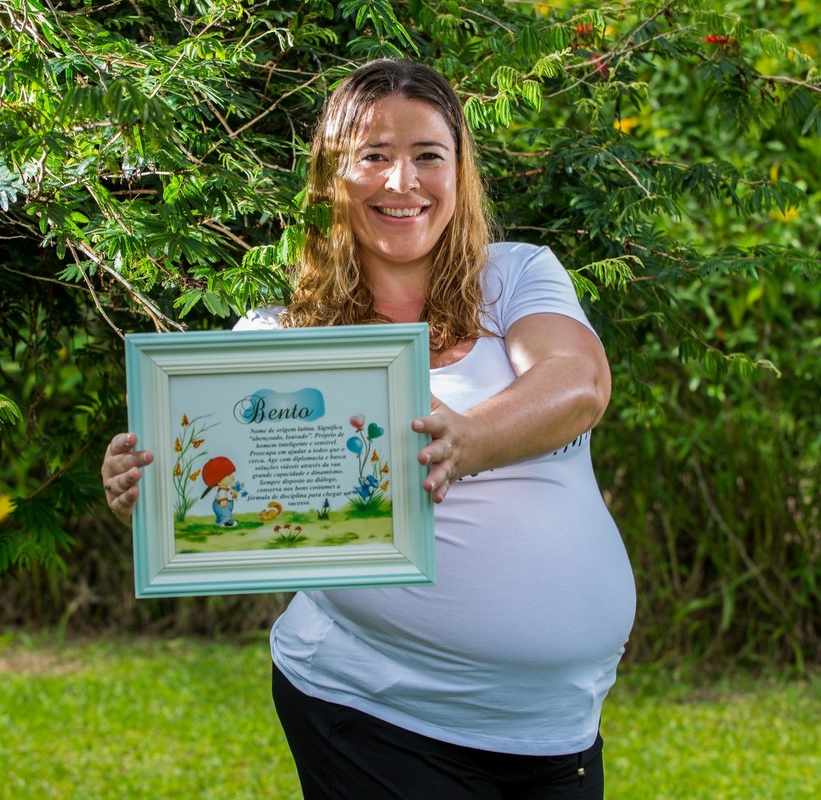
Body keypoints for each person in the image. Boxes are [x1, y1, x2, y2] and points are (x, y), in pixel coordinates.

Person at [101, 59, 636, 799]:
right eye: (374, 156)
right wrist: (149, 486)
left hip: (558, 733)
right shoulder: (279, 342)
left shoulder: (515, 277)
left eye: (428, 156)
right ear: (332, 176)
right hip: (377, 718)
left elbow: (578, 384)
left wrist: (469, 439)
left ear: (460, 171)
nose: (402, 181)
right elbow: (223, 504)